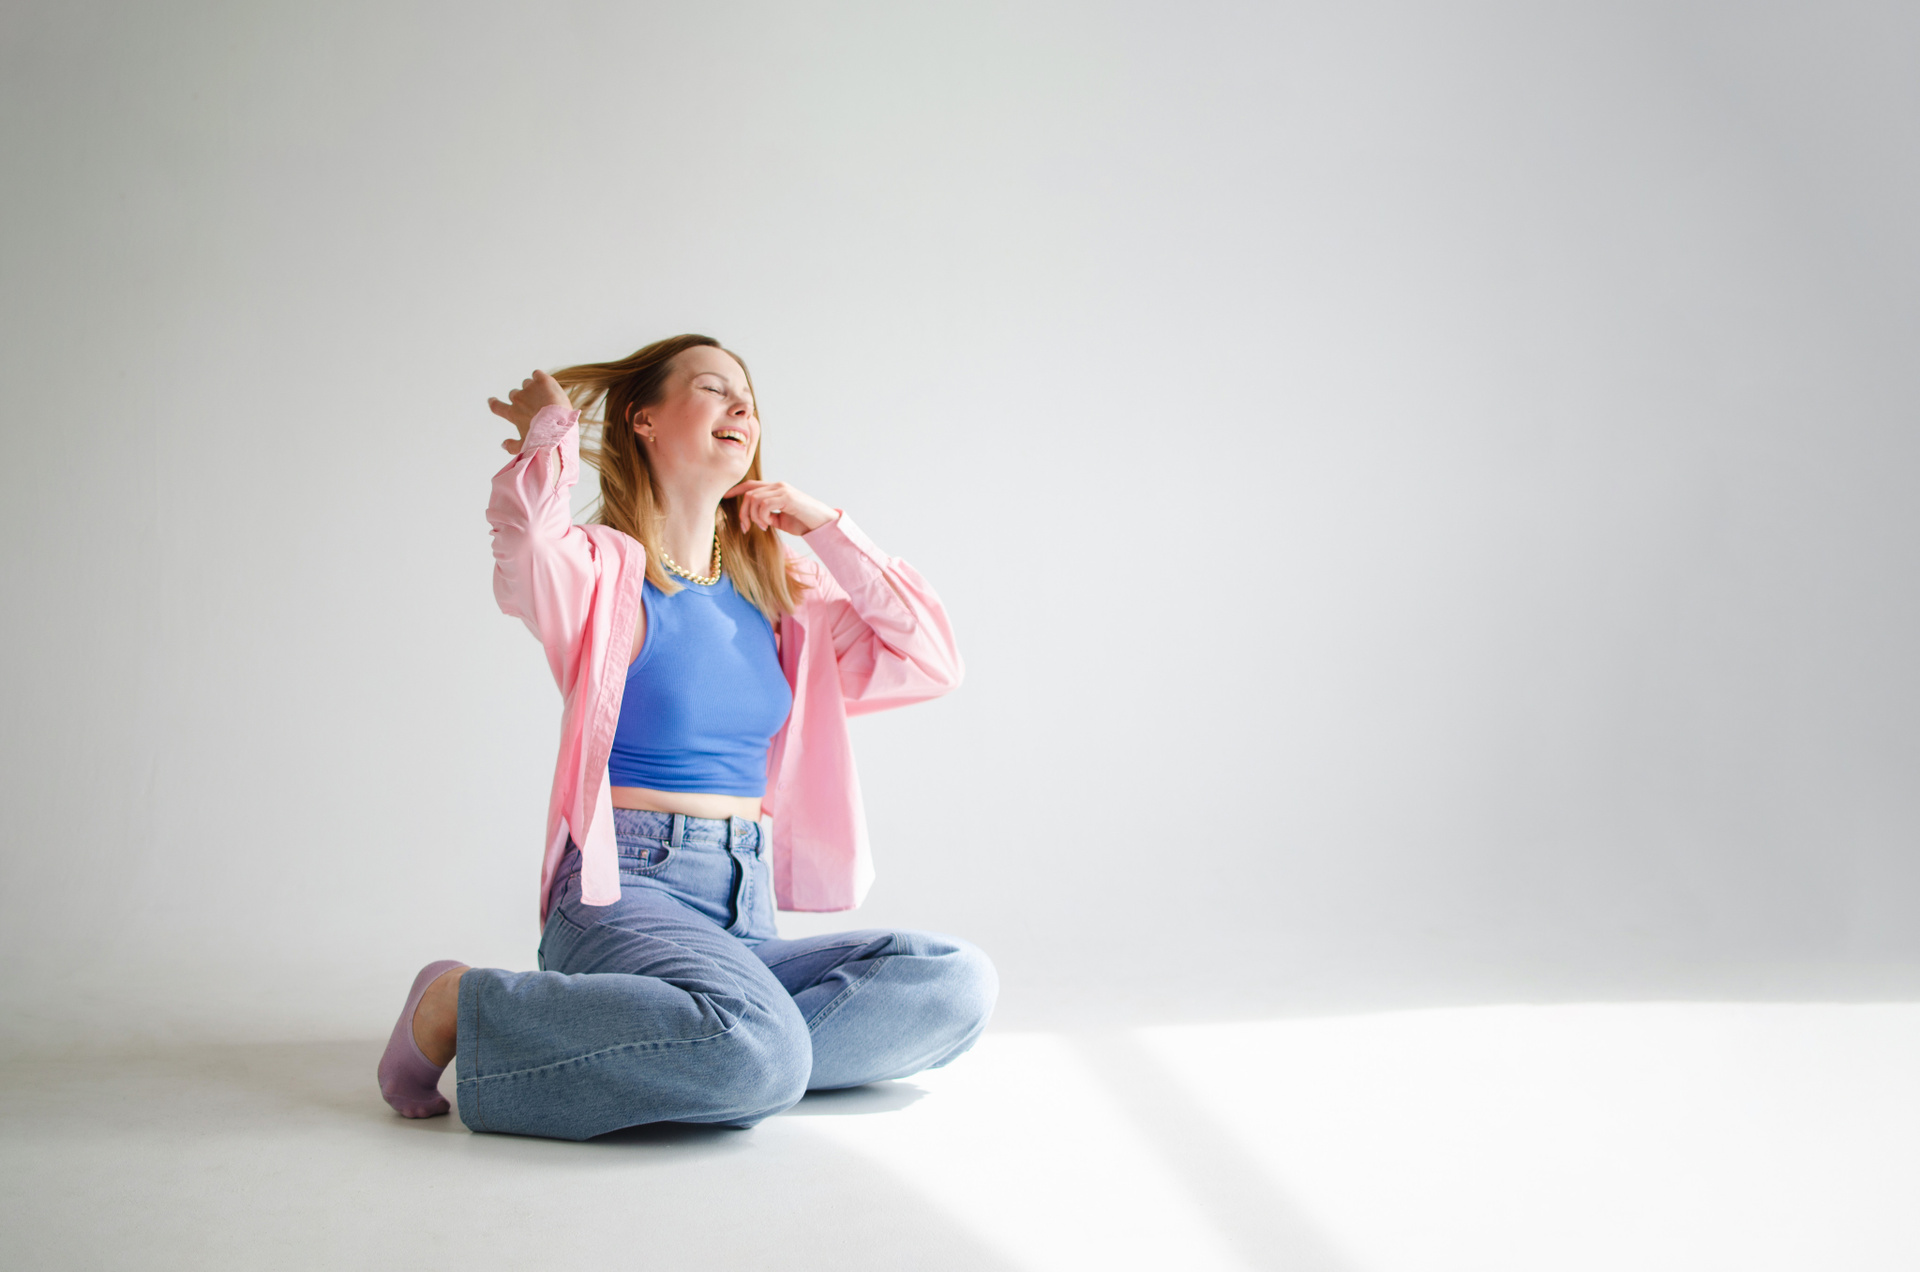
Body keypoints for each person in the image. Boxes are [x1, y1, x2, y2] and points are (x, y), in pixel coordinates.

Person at [375, 335, 997, 1140]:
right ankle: (462, 1006)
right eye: (712, 388)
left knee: (955, 983)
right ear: (644, 419)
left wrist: (824, 527)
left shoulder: (784, 593)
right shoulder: (600, 573)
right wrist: (551, 437)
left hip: (746, 905)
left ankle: (719, 1048)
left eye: (749, 399)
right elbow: (527, 543)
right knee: (762, 1050)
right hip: (626, 891)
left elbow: (931, 660)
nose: (742, 407)